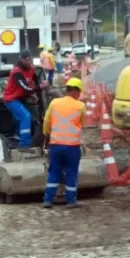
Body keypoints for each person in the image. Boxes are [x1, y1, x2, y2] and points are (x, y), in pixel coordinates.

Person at [42, 78, 86, 209]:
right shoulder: (80, 106)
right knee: (71, 173)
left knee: (54, 172)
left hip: (55, 145)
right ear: (77, 91)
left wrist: (46, 135)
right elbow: (81, 124)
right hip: (72, 147)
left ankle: (48, 200)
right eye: (79, 92)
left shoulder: (54, 103)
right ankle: (71, 201)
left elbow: (46, 122)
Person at [3, 49, 47, 148]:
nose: (28, 62)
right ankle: (25, 144)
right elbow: (25, 88)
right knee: (25, 116)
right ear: (21, 59)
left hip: (21, 97)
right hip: (11, 99)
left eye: (29, 60)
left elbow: (34, 82)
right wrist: (39, 87)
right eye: (26, 60)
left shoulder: (31, 69)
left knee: (33, 116)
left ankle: (18, 136)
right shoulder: (16, 72)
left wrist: (39, 88)